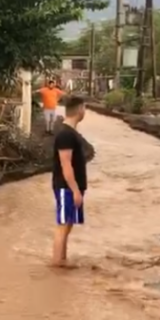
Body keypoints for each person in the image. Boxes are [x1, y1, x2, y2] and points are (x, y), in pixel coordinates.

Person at [51, 96, 91, 267]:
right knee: (63, 225)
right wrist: (75, 190)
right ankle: (57, 263)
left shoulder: (70, 133)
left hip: (71, 187)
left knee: (68, 224)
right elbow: (65, 164)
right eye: (84, 108)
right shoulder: (66, 135)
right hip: (66, 187)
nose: (85, 111)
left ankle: (62, 261)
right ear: (80, 109)